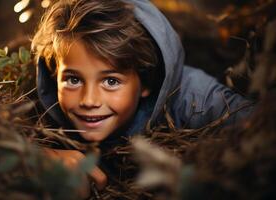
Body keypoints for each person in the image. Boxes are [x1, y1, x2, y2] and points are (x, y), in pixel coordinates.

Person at [31, 0, 253, 196]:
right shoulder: (38, 110)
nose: (89, 100)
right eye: (73, 80)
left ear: (146, 81)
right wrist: (34, 157)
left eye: (111, 81)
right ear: (54, 74)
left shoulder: (198, 100)